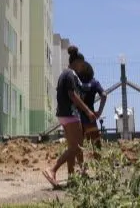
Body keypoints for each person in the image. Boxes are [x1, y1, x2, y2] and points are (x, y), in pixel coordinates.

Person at [43, 46, 97, 188]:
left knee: (73, 147)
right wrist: (87, 111)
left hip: (63, 114)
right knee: (77, 146)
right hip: (70, 114)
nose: (82, 68)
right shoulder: (71, 74)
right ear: (77, 62)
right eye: (82, 65)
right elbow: (72, 95)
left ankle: (72, 177)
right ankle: (52, 169)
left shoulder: (64, 74)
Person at [79, 62, 107, 151]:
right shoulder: (94, 83)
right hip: (90, 117)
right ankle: (98, 162)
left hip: (76, 117)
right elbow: (104, 95)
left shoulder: (76, 82)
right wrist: (99, 112)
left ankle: (80, 163)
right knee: (96, 145)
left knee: (78, 145)